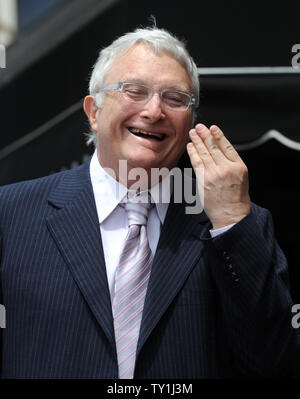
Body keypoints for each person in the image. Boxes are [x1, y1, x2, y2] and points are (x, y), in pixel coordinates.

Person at [0, 25, 299, 379]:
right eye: (135, 91)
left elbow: (274, 360)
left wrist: (233, 221)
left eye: (175, 98)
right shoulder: (11, 213)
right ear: (94, 111)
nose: (154, 111)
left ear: (191, 121)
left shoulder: (232, 224)